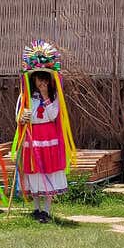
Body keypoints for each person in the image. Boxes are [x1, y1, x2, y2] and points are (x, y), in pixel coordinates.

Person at [14, 40, 76, 224]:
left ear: (50, 80)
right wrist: (22, 118)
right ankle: (36, 208)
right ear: (32, 79)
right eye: (38, 77)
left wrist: (46, 97)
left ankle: (47, 211)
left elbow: (52, 115)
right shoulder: (25, 97)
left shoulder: (55, 98)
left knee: (48, 172)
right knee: (33, 171)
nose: (41, 81)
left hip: (49, 138)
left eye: (45, 78)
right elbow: (20, 116)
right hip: (31, 139)